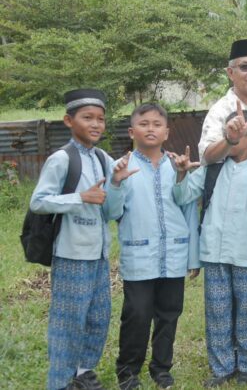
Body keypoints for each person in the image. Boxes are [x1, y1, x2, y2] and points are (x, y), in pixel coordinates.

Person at [30, 89, 134, 390]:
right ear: (68, 120)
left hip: (99, 254)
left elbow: (112, 212)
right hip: (71, 254)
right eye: (87, 117)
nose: (96, 124)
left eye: (100, 119)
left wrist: (115, 184)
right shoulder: (61, 159)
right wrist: (80, 197)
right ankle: (60, 382)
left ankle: (83, 373)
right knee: (68, 324)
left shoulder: (104, 158)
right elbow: (39, 201)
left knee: (98, 319)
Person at [172, 109, 247, 387]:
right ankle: (221, 369)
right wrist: (181, 174)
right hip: (214, 255)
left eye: (237, 133)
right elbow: (182, 196)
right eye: (227, 132)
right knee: (217, 313)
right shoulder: (212, 168)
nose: (229, 138)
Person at [106, 103, 201, 390]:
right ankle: (128, 371)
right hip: (140, 256)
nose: (151, 128)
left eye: (157, 124)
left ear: (166, 131)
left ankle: (161, 369)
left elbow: (187, 206)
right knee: (137, 315)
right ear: (132, 131)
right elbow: (110, 212)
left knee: (169, 315)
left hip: (173, 254)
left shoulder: (177, 164)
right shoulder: (121, 167)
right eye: (144, 124)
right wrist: (116, 184)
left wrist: (183, 176)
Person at [199, 38, 247, 165]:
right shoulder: (220, 110)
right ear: (230, 73)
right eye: (245, 67)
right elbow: (207, 156)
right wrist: (230, 140)